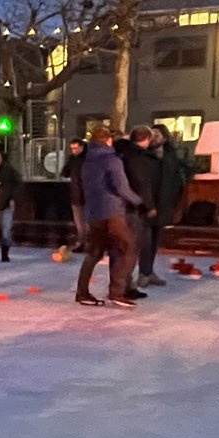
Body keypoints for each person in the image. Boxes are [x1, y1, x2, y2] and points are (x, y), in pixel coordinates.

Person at [76, 126, 143, 308]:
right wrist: (138, 201)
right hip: (112, 212)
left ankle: (82, 292)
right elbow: (121, 187)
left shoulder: (87, 161)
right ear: (108, 140)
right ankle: (117, 292)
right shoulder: (112, 160)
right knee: (129, 247)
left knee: (95, 252)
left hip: (93, 213)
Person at [116, 128, 164, 287]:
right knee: (133, 245)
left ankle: (126, 280)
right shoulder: (136, 157)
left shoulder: (127, 153)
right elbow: (142, 183)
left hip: (131, 205)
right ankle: (124, 282)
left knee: (134, 244)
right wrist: (149, 206)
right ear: (147, 139)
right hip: (136, 207)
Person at [147, 124, 188, 270]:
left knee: (155, 238)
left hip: (165, 203)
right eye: (151, 135)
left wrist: (177, 204)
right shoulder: (145, 155)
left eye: (157, 135)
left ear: (164, 138)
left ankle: (148, 270)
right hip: (149, 204)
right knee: (146, 239)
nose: (154, 138)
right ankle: (145, 271)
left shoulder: (170, 156)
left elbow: (177, 181)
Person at [0, 149, 22, 262]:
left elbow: (18, 184)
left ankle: (5, 254)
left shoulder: (9, 170)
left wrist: (13, 198)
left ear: (1, 160)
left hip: (5, 203)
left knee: (6, 229)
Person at [63, 139, 88, 252]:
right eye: (72, 148)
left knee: (86, 221)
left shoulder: (88, 158)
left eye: (76, 148)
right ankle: (82, 241)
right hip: (76, 194)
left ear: (82, 147)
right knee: (79, 221)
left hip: (87, 194)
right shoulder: (73, 159)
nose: (73, 151)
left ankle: (87, 242)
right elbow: (65, 172)